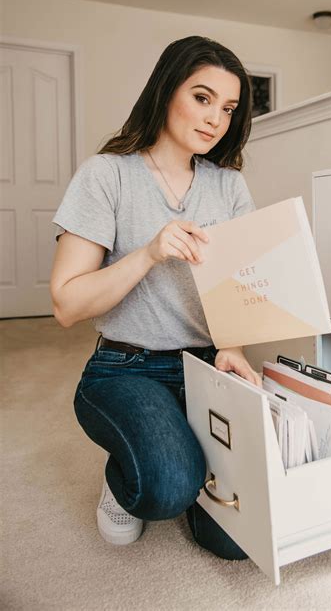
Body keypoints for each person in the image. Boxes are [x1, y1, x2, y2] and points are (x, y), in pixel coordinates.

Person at [50, 36, 261, 558]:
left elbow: (243, 283)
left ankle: (184, 462)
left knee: (237, 540)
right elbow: (66, 305)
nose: (216, 119)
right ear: (167, 91)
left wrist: (233, 345)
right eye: (203, 98)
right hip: (127, 368)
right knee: (164, 489)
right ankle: (129, 476)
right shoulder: (106, 175)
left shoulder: (230, 187)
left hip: (207, 366)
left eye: (229, 108)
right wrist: (147, 253)